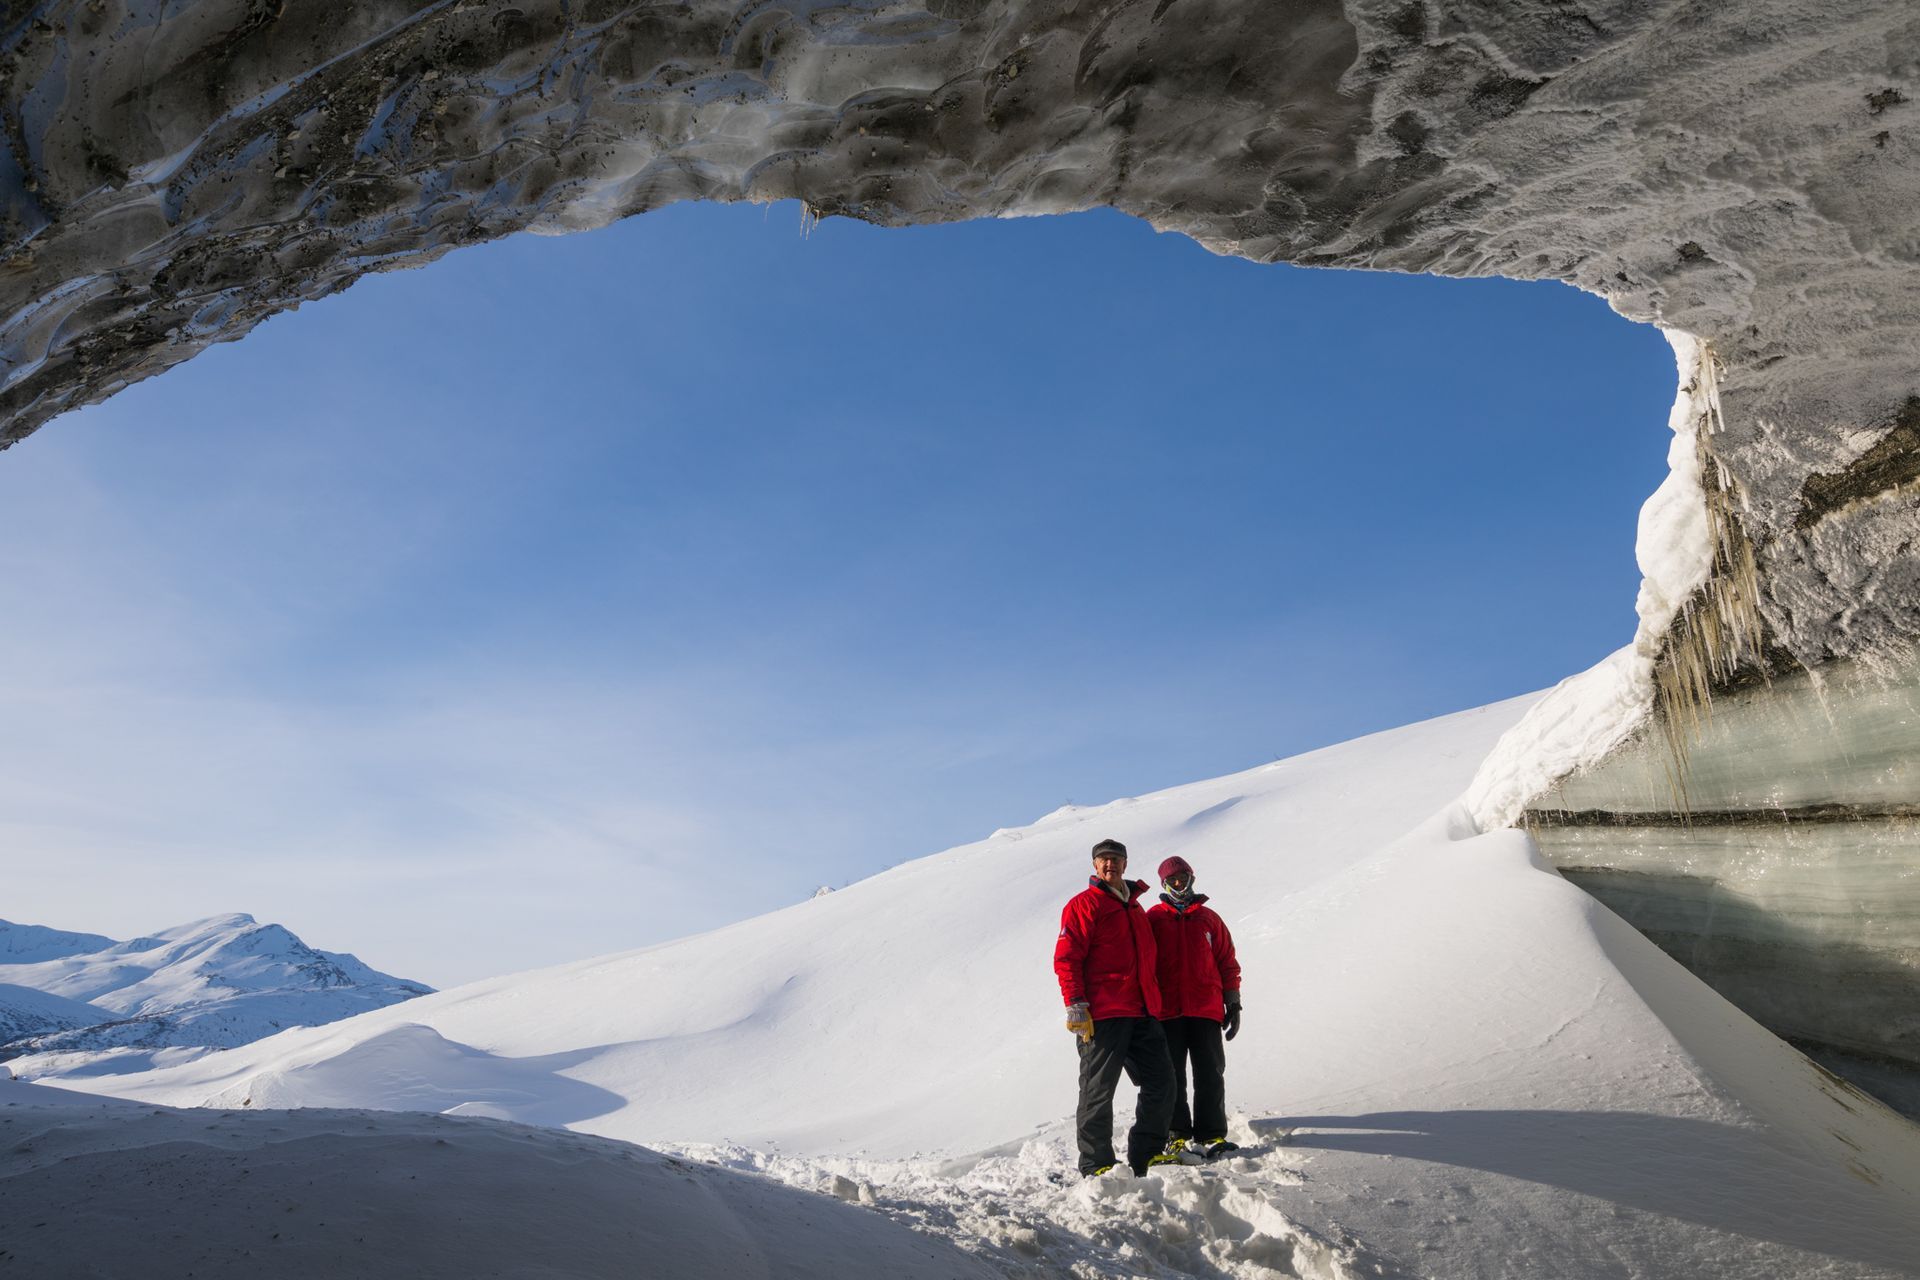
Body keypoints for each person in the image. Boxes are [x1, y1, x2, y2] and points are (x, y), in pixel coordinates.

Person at [1053, 837, 1177, 1177]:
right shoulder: (1083, 905)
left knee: (1162, 1082)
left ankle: (1147, 1154)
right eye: (1104, 859)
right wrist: (1075, 1004)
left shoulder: (1135, 908)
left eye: (1116, 859)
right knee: (1098, 1091)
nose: (1110, 864)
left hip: (1142, 1012)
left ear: (1125, 864)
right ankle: (1097, 1164)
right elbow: (1066, 958)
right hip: (1103, 1015)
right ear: (1095, 866)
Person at [1147, 854, 1242, 1160]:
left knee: (1210, 1073)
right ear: (1163, 883)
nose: (1178, 883)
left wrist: (1233, 1001)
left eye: (1182, 878)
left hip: (1205, 1009)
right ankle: (1176, 1135)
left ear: (1191, 879)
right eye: (1172, 880)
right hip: (1167, 1012)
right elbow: (1143, 964)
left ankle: (1211, 1135)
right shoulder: (1153, 919)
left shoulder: (1209, 918)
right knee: (1171, 1075)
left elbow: (1227, 961)